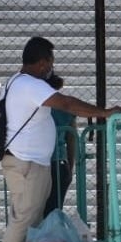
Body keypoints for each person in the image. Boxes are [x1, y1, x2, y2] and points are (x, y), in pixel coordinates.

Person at [0, 36, 121, 242]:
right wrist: (104, 112)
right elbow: (66, 103)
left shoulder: (15, 82)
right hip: (27, 162)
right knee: (24, 219)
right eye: (51, 61)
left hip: (31, 162)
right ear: (42, 63)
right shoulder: (31, 85)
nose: (52, 66)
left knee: (31, 220)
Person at [42, 73, 77, 218]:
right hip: (59, 162)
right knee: (54, 210)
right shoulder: (65, 109)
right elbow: (72, 139)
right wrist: (70, 166)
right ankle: (51, 239)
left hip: (37, 162)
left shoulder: (37, 105)